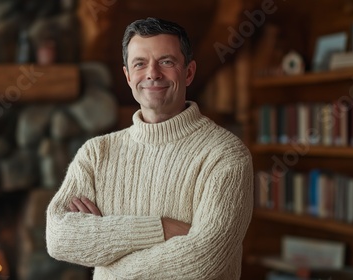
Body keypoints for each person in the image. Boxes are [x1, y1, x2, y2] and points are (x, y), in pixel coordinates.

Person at [46, 17, 253, 280]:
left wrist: (109, 266)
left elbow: (204, 259)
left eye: (166, 62)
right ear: (128, 76)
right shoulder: (96, 153)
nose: (152, 74)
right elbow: (59, 237)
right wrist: (161, 229)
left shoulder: (225, 155)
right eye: (140, 64)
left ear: (188, 72)